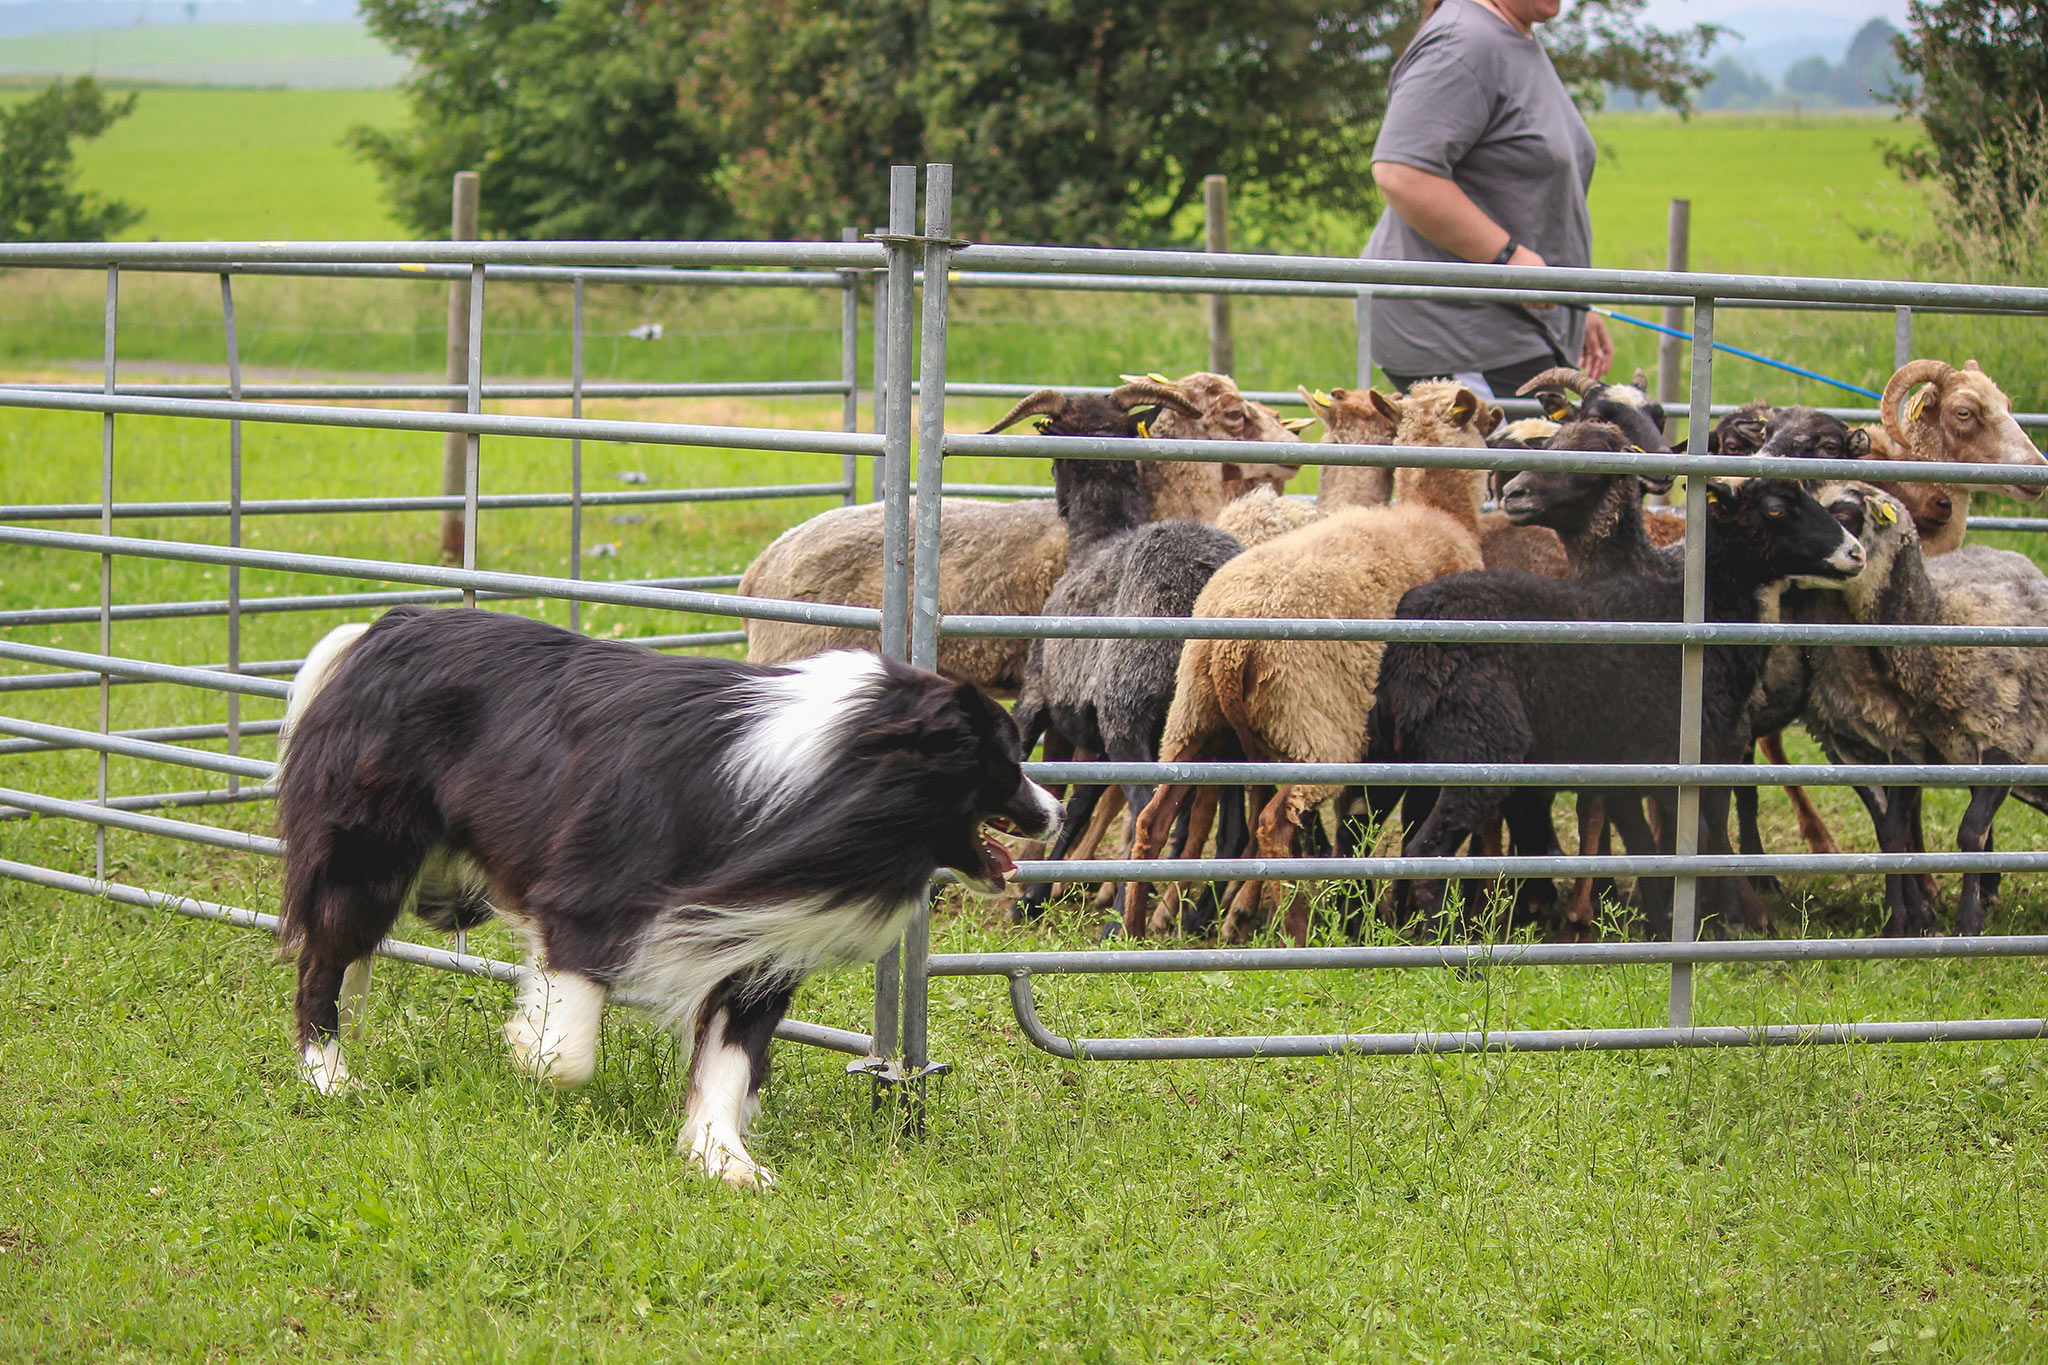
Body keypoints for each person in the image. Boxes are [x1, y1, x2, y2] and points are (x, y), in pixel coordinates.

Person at [1363, 0, 1614, 398]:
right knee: (1535, 460)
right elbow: (1402, 173)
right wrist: (1509, 260)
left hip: (1514, 324)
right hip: (1463, 330)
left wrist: (1572, 305)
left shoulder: (1512, 37)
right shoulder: (1462, 43)